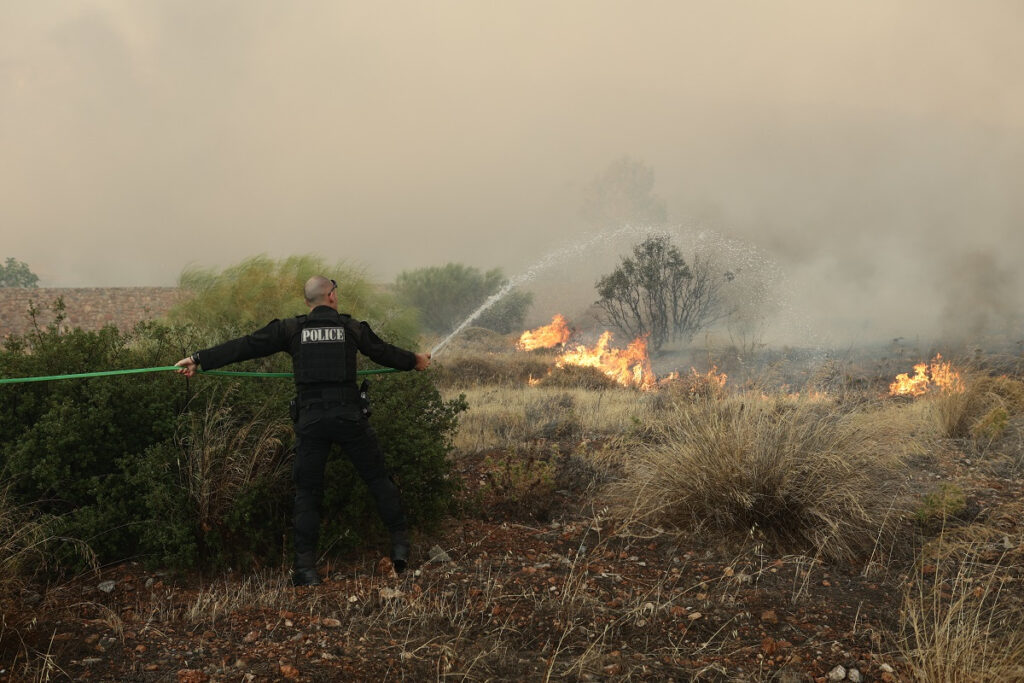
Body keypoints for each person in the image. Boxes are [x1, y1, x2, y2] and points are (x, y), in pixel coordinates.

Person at [175, 275, 430, 586]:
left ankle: (305, 570)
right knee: (378, 480)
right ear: (332, 296)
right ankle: (400, 547)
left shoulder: (291, 329)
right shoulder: (351, 328)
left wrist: (200, 360)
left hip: (311, 422)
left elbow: (246, 345)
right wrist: (415, 361)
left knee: (307, 494)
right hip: (350, 418)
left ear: (308, 302)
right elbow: (385, 352)